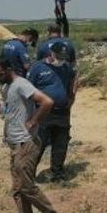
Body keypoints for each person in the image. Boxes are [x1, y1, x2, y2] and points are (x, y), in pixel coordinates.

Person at [0, 56, 61, 213]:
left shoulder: (22, 84)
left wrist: (33, 120)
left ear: (7, 70)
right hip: (14, 142)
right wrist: (0, 109)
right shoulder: (6, 87)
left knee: (26, 185)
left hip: (26, 142)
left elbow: (47, 102)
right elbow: (10, 111)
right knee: (17, 188)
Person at [29, 41, 76, 182]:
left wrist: (71, 98)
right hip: (43, 112)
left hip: (62, 112)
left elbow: (73, 80)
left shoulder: (66, 67)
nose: (61, 60)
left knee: (60, 144)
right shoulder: (38, 67)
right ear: (52, 53)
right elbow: (28, 88)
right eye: (59, 56)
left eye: (64, 57)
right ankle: (29, 176)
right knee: (38, 144)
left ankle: (58, 174)